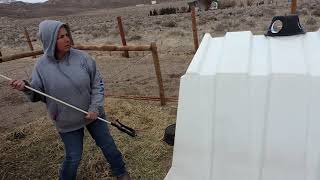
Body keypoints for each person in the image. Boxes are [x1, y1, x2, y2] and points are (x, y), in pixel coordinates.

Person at [9, 20, 131, 180]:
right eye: (60, 37)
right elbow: (37, 94)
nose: (67, 39)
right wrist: (25, 87)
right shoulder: (41, 66)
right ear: (49, 40)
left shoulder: (82, 58)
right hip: (67, 122)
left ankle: (120, 172)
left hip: (93, 115)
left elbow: (97, 83)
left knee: (107, 144)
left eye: (67, 35)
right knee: (73, 157)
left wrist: (95, 107)